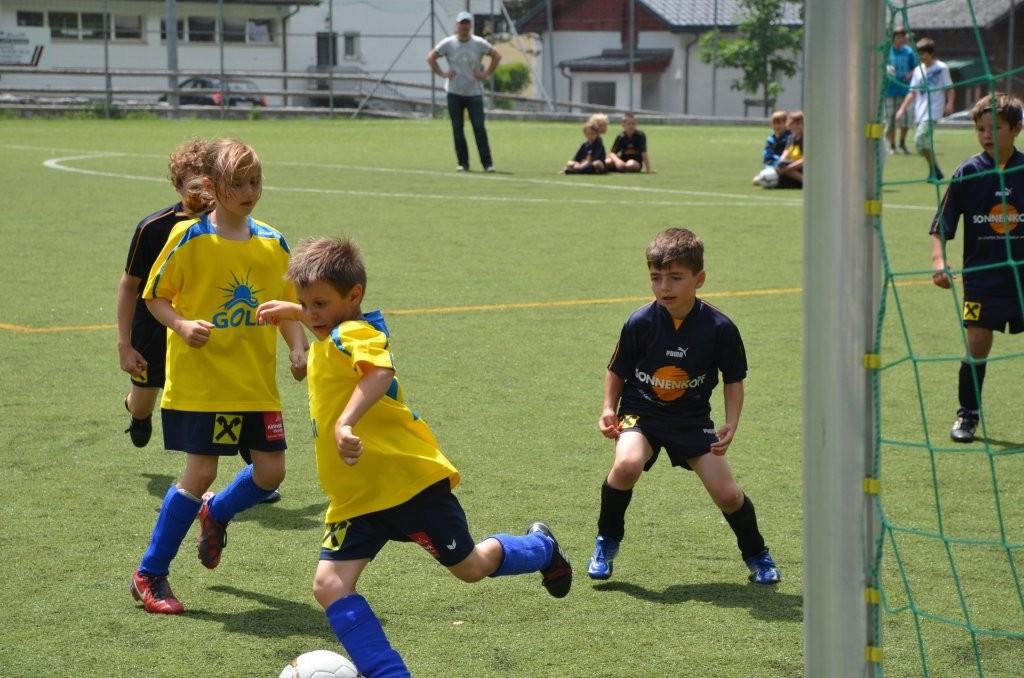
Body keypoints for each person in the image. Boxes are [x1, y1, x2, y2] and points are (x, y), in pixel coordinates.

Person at [255, 237, 572, 677]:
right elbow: (330, 331)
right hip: (356, 499)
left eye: (319, 304)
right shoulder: (334, 330)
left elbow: (378, 371)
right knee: (329, 585)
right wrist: (294, 311)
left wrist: (345, 422)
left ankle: (542, 547)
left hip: (408, 487)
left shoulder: (356, 333)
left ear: (354, 296)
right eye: (306, 304)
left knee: (471, 568)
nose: (312, 313)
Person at [130, 138, 308, 615]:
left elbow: (287, 305)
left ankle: (218, 511)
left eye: (256, 182)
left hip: (254, 382)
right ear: (211, 186)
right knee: (201, 471)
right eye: (238, 184)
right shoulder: (187, 238)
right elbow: (155, 296)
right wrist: (182, 325)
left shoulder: (272, 242)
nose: (250, 192)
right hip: (203, 383)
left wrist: (297, 346)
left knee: (271, 472)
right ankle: (150, 574)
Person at [587, 227, 780, 585]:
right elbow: (617, 370)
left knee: (727, 494)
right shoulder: (640, 322)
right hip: (640, 412)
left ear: (699, 279)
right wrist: (607, 408)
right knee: (627, 465)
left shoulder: (720, 328)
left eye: (675, 278)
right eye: (656, 278)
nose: (664, 287)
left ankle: (757, 555)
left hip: (691, 420)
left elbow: (733, 379)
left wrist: (732, 422)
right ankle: (606, 541)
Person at [929, 92, 1024, 443]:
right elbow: (941, 226)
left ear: (1016, 129)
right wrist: (939, 261)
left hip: (1021, 276)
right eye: (980, 129)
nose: (986, 135)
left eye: (995, 128)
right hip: (982, 279)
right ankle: (967, 414)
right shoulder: (968, 172)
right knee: (978, 340)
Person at [117, 139, 209, 449]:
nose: (200, 192)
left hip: (203, 324)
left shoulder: (228, 226)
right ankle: (137, 411)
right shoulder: (153, 228)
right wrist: (124, 344)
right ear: (178, 185)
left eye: (207, 182)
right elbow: (129, 285)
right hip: (154, 326)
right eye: (192, 185)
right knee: (144, 403)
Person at [426, 11, 501, 172]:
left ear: (470, 26)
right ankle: (463, 163)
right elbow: (431, 57)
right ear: (457, 25)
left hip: (474, 93)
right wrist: (442, 73)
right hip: (454, 93)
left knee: (479, 127)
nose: (464, 27)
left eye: (467, 24)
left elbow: (496, 56)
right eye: (462, 24)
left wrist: (485, 74)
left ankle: (487, 164)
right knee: (458, 128)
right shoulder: (448, 43)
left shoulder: (478, 43)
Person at [895, 37, 954, 181]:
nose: (921, 56)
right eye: (919, 53)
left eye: (923, 53)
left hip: (934, 111)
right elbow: (912, 92)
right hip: (920, 112)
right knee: (922, 145)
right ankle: (935, 170)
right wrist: (902, 109)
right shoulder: (918, 70)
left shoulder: (941, 68)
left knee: (920, 139)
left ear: (931, 53)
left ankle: (935, 170)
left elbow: (950, 88)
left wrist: (950, 103)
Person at [884, 28, 918, 155]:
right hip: (889, 91)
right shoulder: (887, 51)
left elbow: (916, 67)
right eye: (897, 37)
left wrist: (910, 74)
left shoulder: (909, 52)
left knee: (906, 119)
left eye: (902, 36)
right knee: (890, 120)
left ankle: (902, 143)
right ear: (893, 38)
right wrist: (886, 70)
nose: (900, 39)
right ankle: (892, 146)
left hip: (906, 91)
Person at [751, 111, 789, 185]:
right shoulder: (770, 139)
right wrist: (769, 165)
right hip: (771, 166)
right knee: (755, 180)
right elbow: (767, 156)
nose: (776, 126)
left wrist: (779, 164)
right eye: (774, 124)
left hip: (784, 166)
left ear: (786, 124)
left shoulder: (790, 138)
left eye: (779, 123)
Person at [769, 110, 804, 189]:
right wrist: (780, 163)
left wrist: (787, 169)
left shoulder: (806, 139)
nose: (794, 126)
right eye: (792, 124)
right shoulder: (791, 138)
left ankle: (805, 181)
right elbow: (786, 151)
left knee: (783, 168)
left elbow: (805, 161)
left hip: (803, 167)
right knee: (781, 167)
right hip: (793, 166)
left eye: (798, 124)